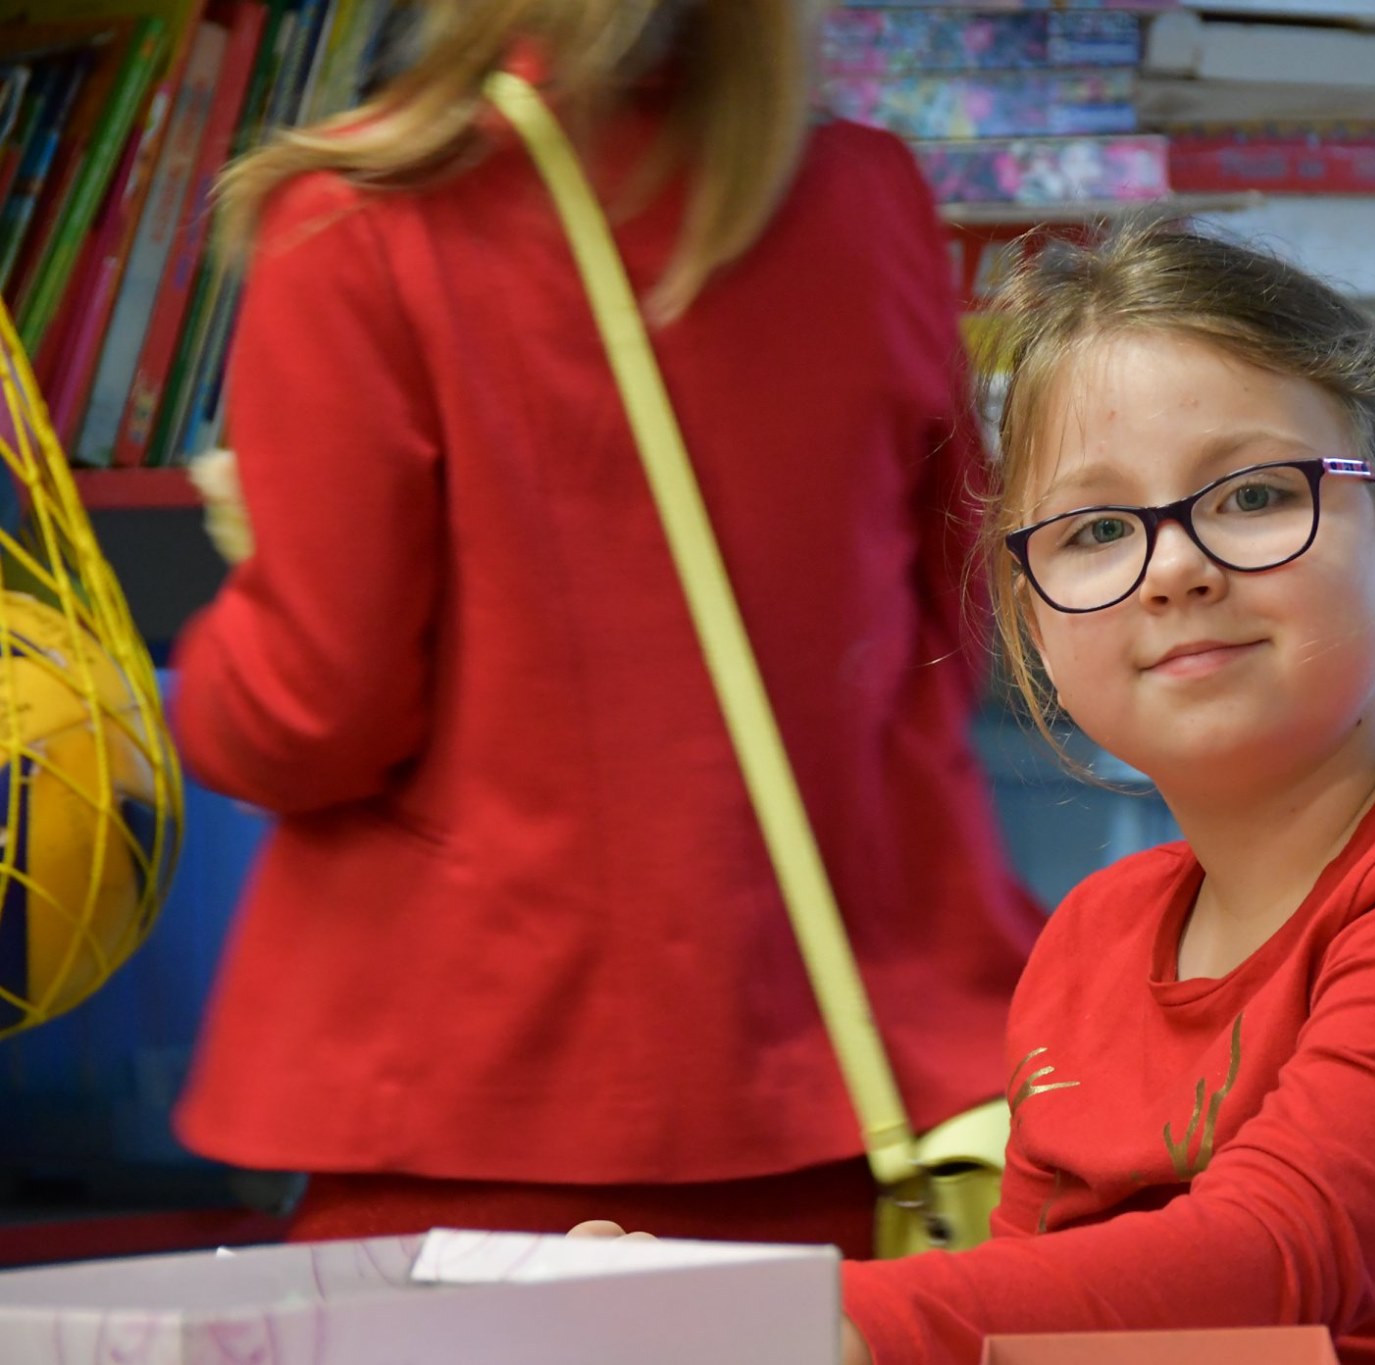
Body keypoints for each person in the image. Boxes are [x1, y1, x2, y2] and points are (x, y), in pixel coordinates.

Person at [585, 221, 1375, 1360]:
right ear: (1032, 622)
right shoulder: (1091, 940)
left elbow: (1270, 1264)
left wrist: (790, 1317)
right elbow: (1026, 1337)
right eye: (1097, 528)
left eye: (1253, 497)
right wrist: (675, 1307)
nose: (1175, 567)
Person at [169, 0, 1040, 1254]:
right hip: (851, 1097)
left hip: (472, 1105)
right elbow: (951, 619)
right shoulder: (862, 196)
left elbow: (311, 716)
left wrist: (234, 619)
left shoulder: (357, 219)